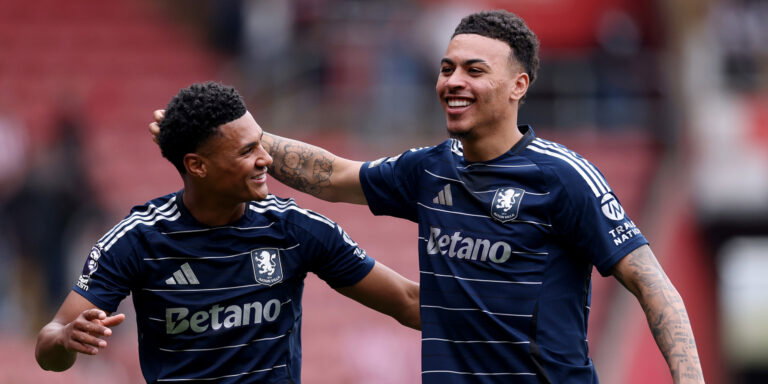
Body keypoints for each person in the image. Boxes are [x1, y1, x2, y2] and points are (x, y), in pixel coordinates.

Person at [150, 11, 704, 384]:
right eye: (446, 68)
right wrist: (231, 139)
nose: (453, 80)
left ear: (519, 86)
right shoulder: (429, 169)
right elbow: (334, 176)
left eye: (474, 70)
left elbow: (653, 285)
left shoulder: (563, 176)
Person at [37, 82, 420, 383]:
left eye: (262, 144)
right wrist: (66, 339)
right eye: (247, 150)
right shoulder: (136, 240)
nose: (267, 159)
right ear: (197, 166)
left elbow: (407, 301)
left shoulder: (294, 228)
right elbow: (49, 346)